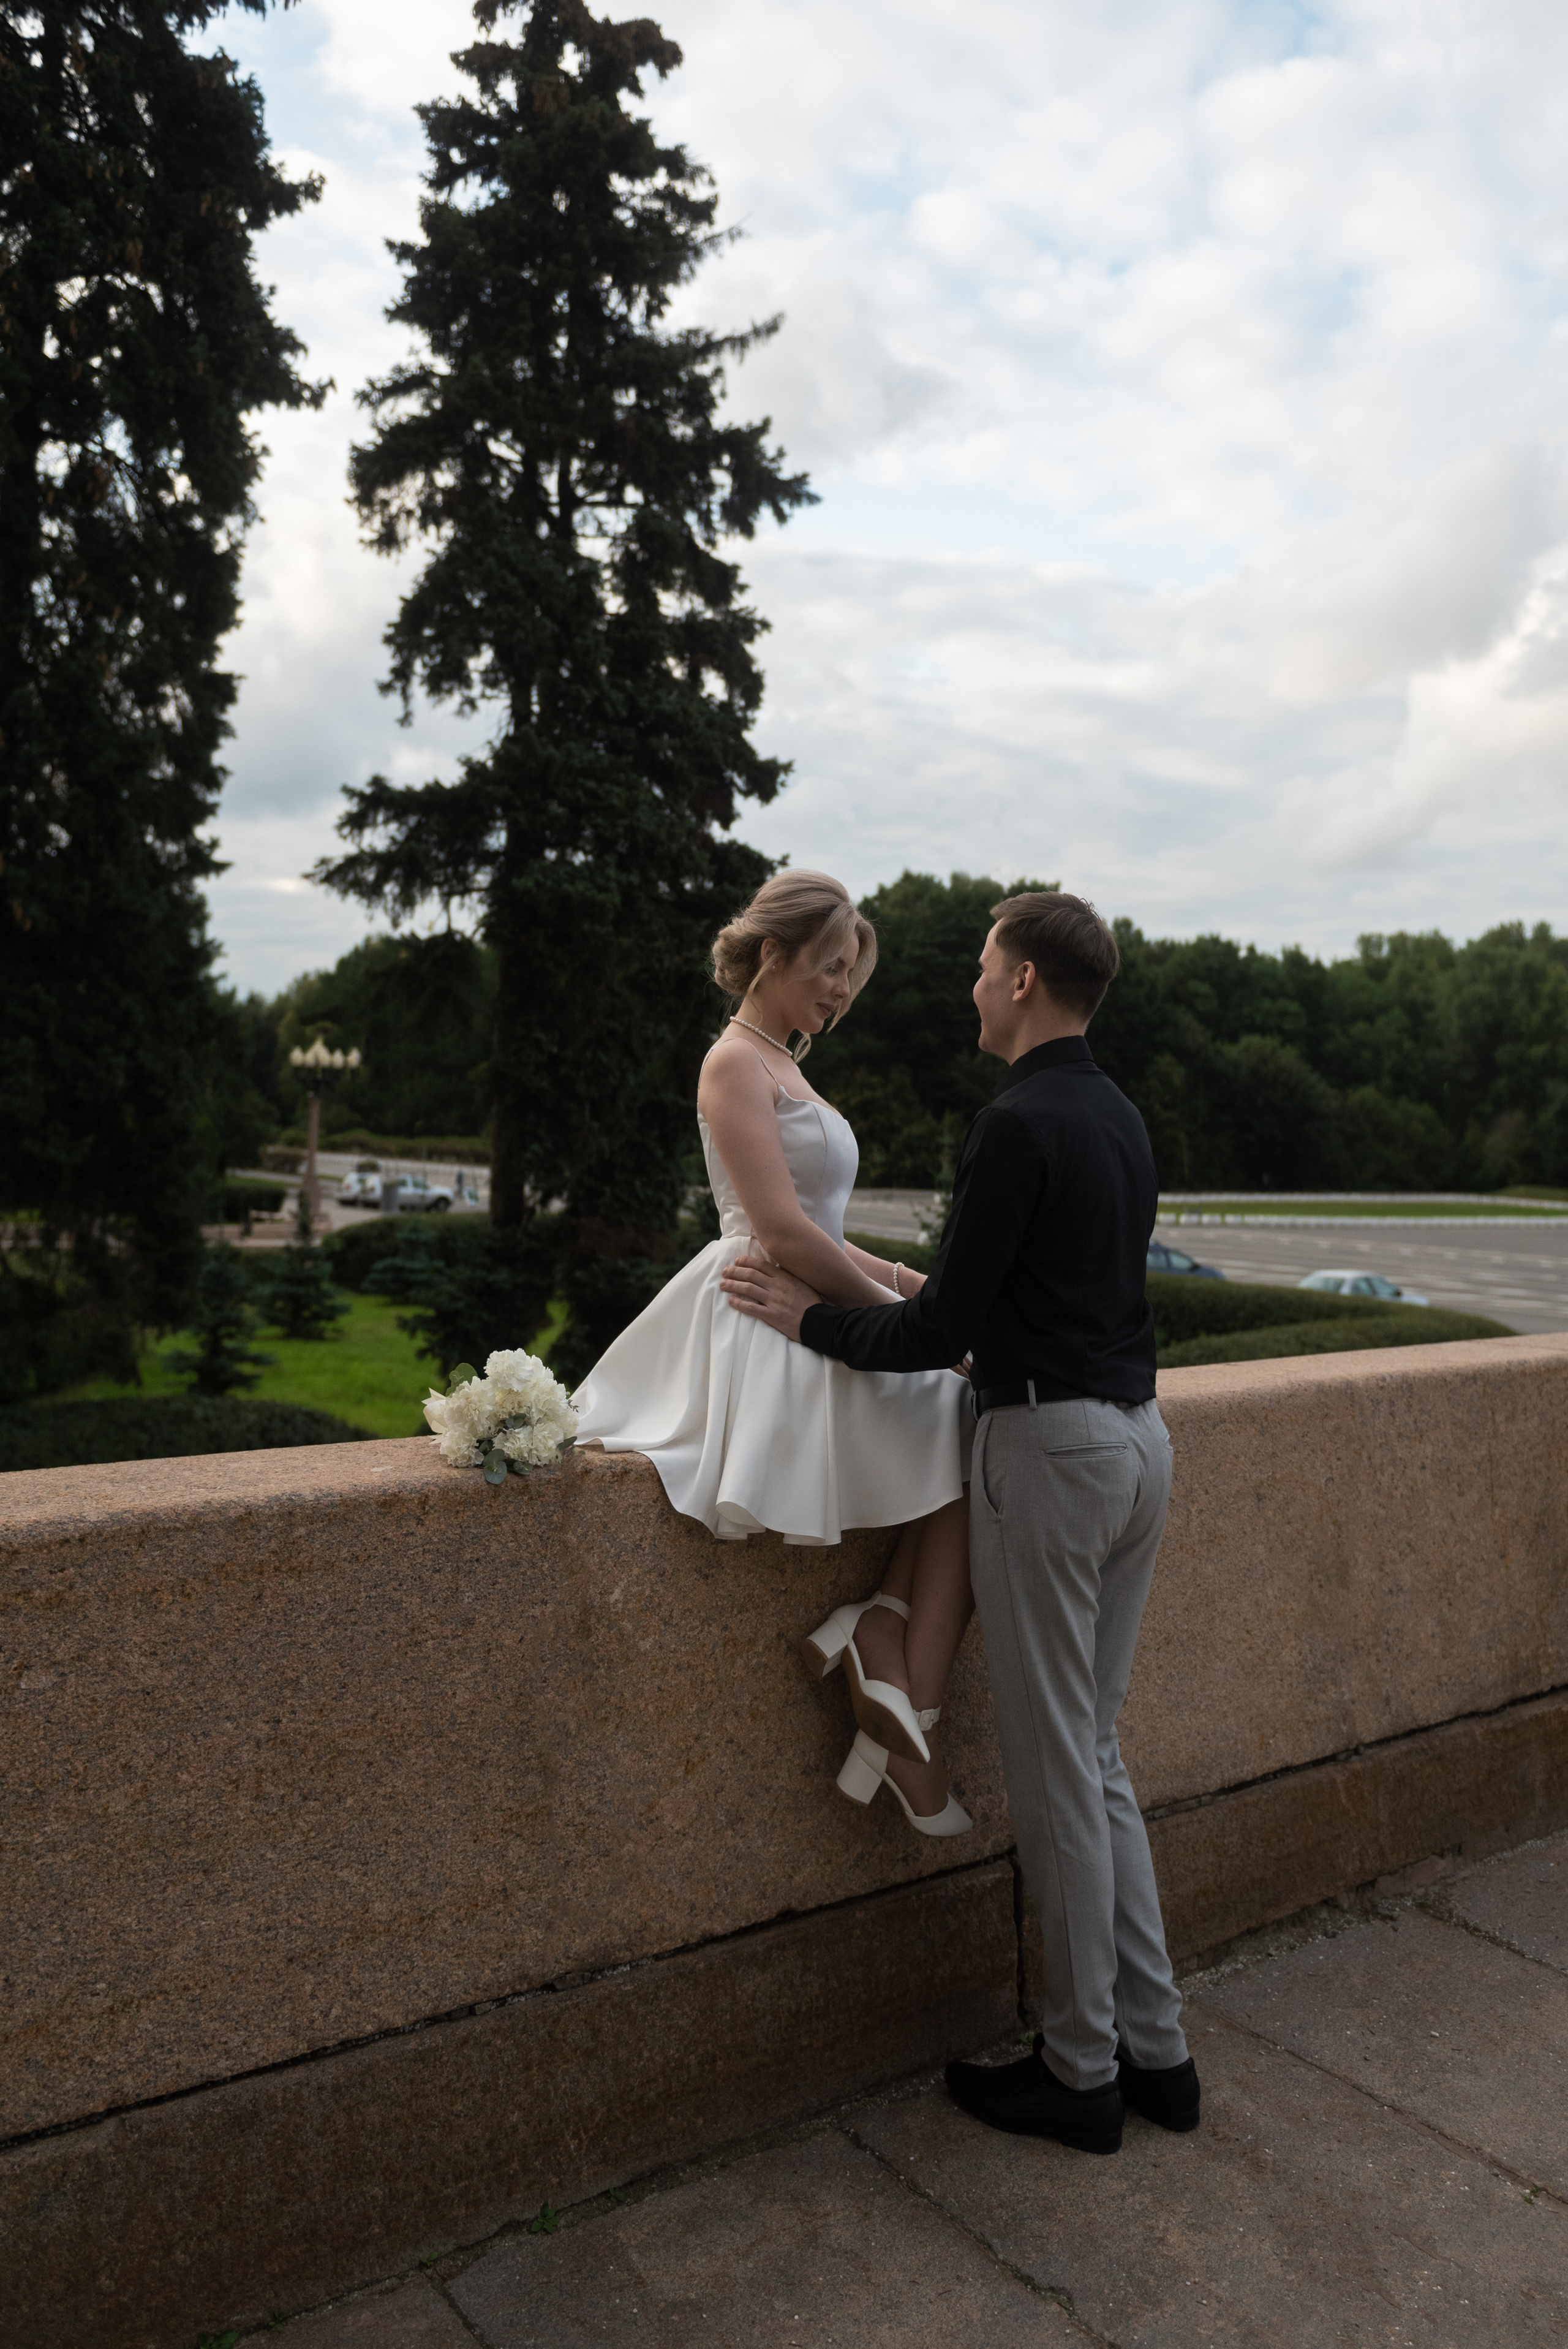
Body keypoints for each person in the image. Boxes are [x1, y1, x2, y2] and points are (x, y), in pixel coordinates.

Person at [720, 891, 1199, 2157]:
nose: (972, 986)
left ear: (1027, 981)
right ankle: (1159, 2055)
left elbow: (943, 1335)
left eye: (986, 968)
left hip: (1048, 1454)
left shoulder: (1017, 1121)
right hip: (1140, 1446)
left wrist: (809, 1322)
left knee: (1055, 1779)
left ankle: (1080, 2071)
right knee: (1095, 1761)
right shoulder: (1116, 1116)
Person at [571, 869, 977, 1833]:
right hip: (766, 1306)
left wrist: (916, 1288)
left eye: (850, 975)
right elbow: (783, 1234)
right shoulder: (733, 1063)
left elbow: (824, 1227)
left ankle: (886, 1649)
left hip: (812, 1289)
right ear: (771, 954)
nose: (841, 990)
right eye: (829, 968)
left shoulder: (785, 1062)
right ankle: (897, 1689)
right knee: (962, 1415)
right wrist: (908, 1325)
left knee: (967, 1426)